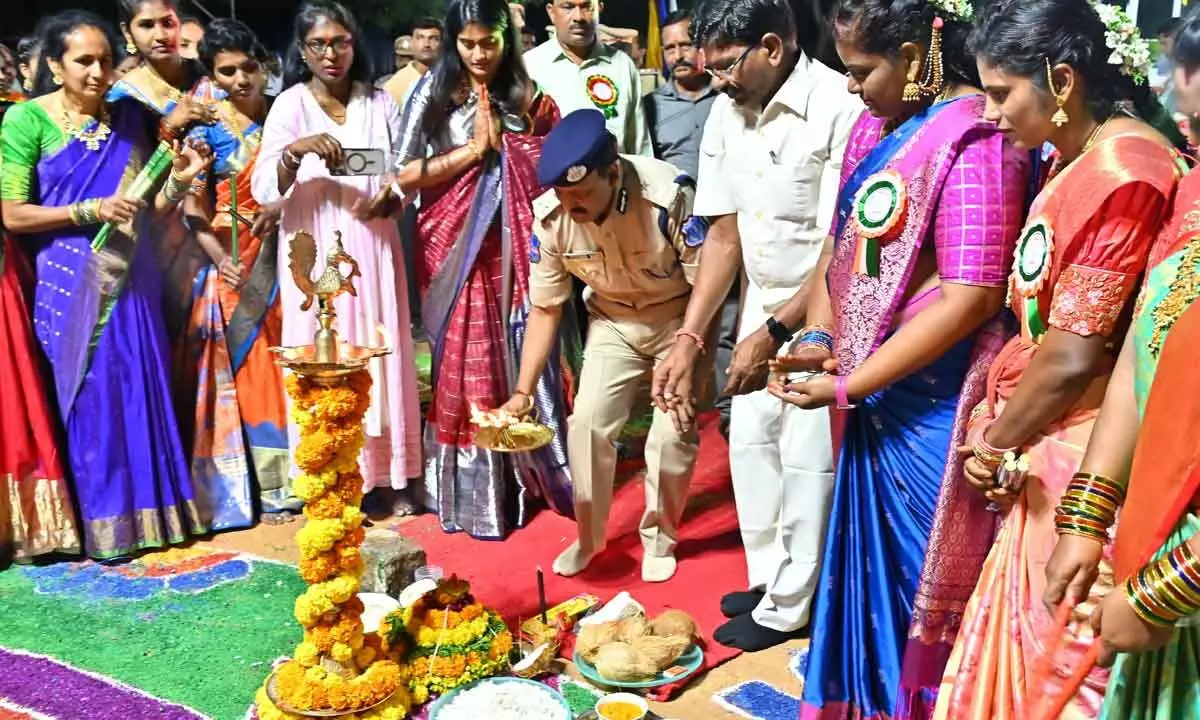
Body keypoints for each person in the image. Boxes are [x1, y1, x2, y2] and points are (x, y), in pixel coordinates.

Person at [767, 0, 1029, 715]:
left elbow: (970, 298)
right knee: (862, 572)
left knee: (919, 582)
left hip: (934, 407)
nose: (851, 86)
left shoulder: (980, 140)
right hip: (869, 389)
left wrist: (851, 384)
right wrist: (820, 339)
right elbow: (838, 250)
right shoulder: (870, 130)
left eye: (862, 70)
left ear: (915, 58)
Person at [932, 1, 1185, 717]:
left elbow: (1075, 355)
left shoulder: (1124, 171)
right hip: (1048, 434)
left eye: (1002, 91)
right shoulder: (1073, 158)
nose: (990, 112)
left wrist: (996, 435)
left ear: (1063, 80)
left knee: (1056, 661)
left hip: (1085, 451)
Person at [652, 0, 863, 652]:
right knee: (750, 443)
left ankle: (792, 606)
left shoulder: (838, 106)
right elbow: (722, 234)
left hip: (824, 306)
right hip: (759, 300)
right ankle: (769, 580)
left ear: (772, 46)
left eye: (726, 65)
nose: (715, 79)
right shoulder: (726, 109)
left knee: (806, 457)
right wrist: (691, 337)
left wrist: (774, 334)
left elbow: (839, 245)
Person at [1, 10, 213, 559]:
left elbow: (151, 207)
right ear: (54, 64)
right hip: (69, 276)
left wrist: (180, 181)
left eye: (104, 60)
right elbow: (13, 215)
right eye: (83, 61)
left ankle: (156, 518)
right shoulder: (27, 122)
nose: (97, 72)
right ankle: (103, 525)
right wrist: (88, 208)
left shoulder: (130, 119)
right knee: (89, 398)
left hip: (133, 275)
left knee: (141, 384)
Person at [1042, 8, 1200, 716]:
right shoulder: (1196, 199)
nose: (1185, 137)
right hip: (1159, 566)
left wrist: (1171, 590)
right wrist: (1086, 514)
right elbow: (1148, 350)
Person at [368, 0, 572, 538]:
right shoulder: (432, 96)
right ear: (453, 41)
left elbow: (553, 168)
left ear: (509, 40)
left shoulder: (529, 99)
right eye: (468, 43)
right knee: (469, 357)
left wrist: (516, 152)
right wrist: (474, 153)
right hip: (453, 246)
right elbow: (401, 174)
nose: (479, 55)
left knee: (526, 349)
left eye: (490, 42)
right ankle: (479, 496)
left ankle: (541, 479)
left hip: (521, 248)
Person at [499, 109, 706, 581]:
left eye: (583, 192)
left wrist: (691, 353)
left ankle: (660, 538)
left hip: (679, 317)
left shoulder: (668, 195)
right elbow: (547, 307)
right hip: (612, 321)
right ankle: (589, 539)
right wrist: (522, 392)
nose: (572, 204)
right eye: (563, 193)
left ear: (614, 172)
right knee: (587, 425)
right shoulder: (551, 220)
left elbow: (706, 286)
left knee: (671, 433)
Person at [251, 1, 422, 515]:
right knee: (323, 354)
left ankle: (390, 475)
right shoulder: (289, 106)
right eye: (319, 44)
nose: (331, 53)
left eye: (341, 42)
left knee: (379, 346)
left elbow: (400, 172)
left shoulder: (379, 103)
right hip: (314, 243)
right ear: (302, 52)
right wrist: (292, 151)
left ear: (355, 44)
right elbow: (264, 191)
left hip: (371, 242)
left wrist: (395, 197)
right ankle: (331, 473)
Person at [180, 18, 291, 527]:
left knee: (294, 359)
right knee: (252, 369)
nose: (240, 80)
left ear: (264, 66)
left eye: (248, 67)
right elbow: (192, 212)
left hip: (292, 253)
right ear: (212, 76)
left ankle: (309, 468)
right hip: (236, 261)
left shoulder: (285, 115)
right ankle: (267, 482)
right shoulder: (205, 135)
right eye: (226, 72)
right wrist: (220, 260)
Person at [109, 0, 215, 346]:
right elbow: (131, 177)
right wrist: (170, 126)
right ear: (128, 32)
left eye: (167, 23)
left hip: (219, 221)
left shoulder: (207, 74)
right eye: (146, 25)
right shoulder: (124, 97)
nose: (160, 34)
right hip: (160, 226)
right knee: (175, 338)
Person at [524, 0, 650, 155]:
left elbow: (638, 144)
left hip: (613, 176)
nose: (578, 17)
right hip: (550, 179)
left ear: (600, 9)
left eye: (586, 7)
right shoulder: (529, 67)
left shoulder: (622, 65)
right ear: (551, 12)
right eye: (568, 7)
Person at [643, 10, 716, 181]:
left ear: (703, 45)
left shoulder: (727, 95)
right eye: (669, 48)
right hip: (677, 203)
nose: (678, 56)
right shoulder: (650, 106)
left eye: (685, 45)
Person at [382, 19, 443, 107]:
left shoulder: (452, 80)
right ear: (412, 42)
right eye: (420, 38)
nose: (426, 44)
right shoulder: (394, 86)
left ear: (442, 43)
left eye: (433, 38)